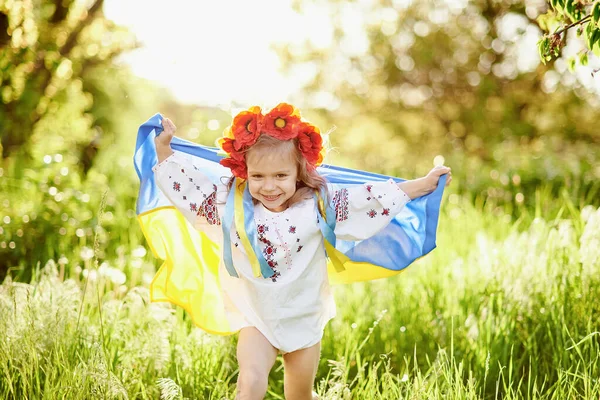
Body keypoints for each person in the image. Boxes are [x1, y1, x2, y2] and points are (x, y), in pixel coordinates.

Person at [149, 103, 451, 400]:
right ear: (245, 172)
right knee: (250, 385)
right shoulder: (230, 208)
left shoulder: (319, 206)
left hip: (303, 314)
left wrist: (422, 185)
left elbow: (366, 199)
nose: (269, 186)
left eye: (280, 176)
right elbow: (191, 190)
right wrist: (164, 150)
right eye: (258, 176)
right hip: (255, 315)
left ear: (298, 172)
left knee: (299, 395)